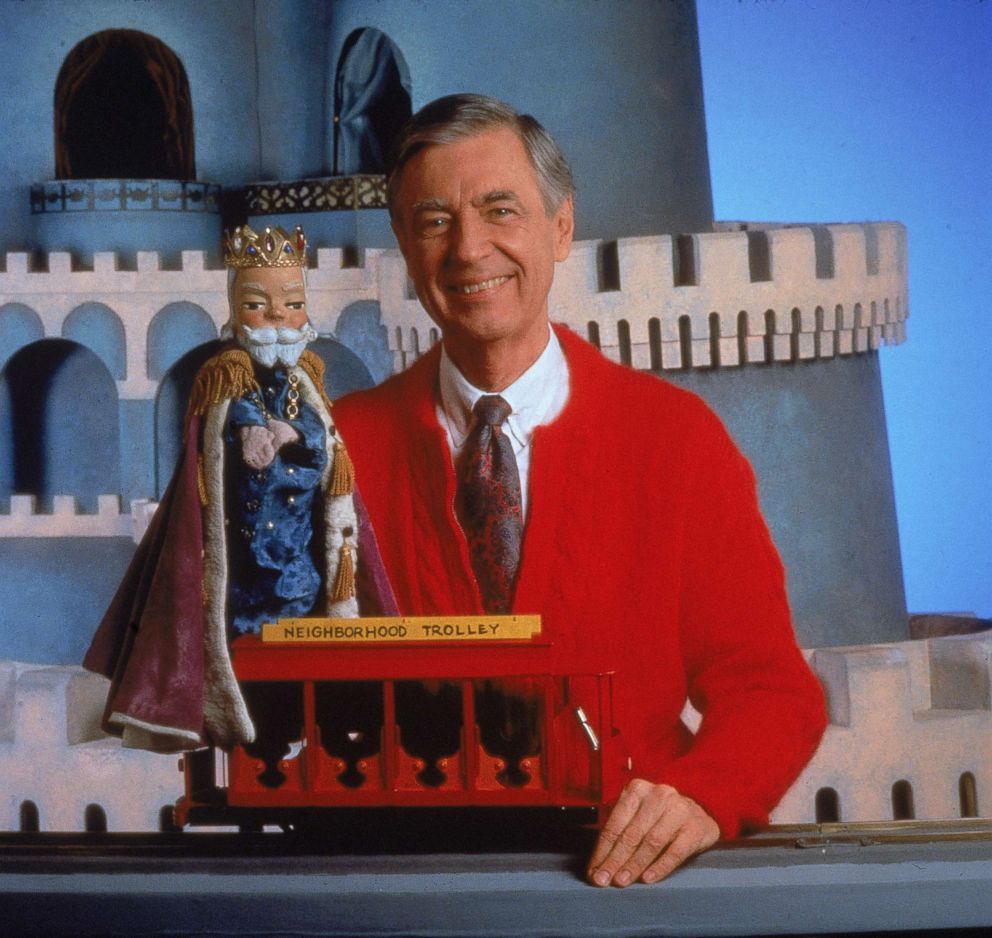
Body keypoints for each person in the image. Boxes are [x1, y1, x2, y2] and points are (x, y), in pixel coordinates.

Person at [332, 94, 828, 887]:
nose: (468, 249)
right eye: (433, 221)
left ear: (561, 228)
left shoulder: (676, 439)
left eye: (501, 210)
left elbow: (771, 690)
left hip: (620, 895)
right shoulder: (338, 447)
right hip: (402, 889)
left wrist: (704, 793)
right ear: (401, 243)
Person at [84, 224, 394, 753]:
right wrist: (254, 430)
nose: (276, 317)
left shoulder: (308, 382)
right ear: (235, 312)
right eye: (258, 304)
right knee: (254, 666)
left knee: (317, 660)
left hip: (303, 566)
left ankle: (328, 726)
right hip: (248, 569)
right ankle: (262, 736)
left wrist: (292, 432)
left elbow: (324, 445)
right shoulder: (226, 380)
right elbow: (224, 448)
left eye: (292, 303)